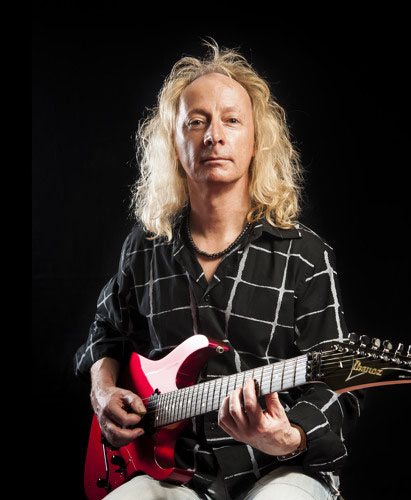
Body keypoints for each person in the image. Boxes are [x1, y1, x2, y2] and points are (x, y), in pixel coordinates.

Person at [74, 40, 364, 500]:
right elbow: (104, 333)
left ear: (256, 141)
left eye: (232, 120)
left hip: (279, 469)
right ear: (174, 143)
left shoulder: (306, 255)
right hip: (175, 472)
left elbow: (339, 387)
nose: (214, 135)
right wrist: (104, 392)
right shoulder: (144, 248)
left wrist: (288, 437)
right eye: (196, 121)